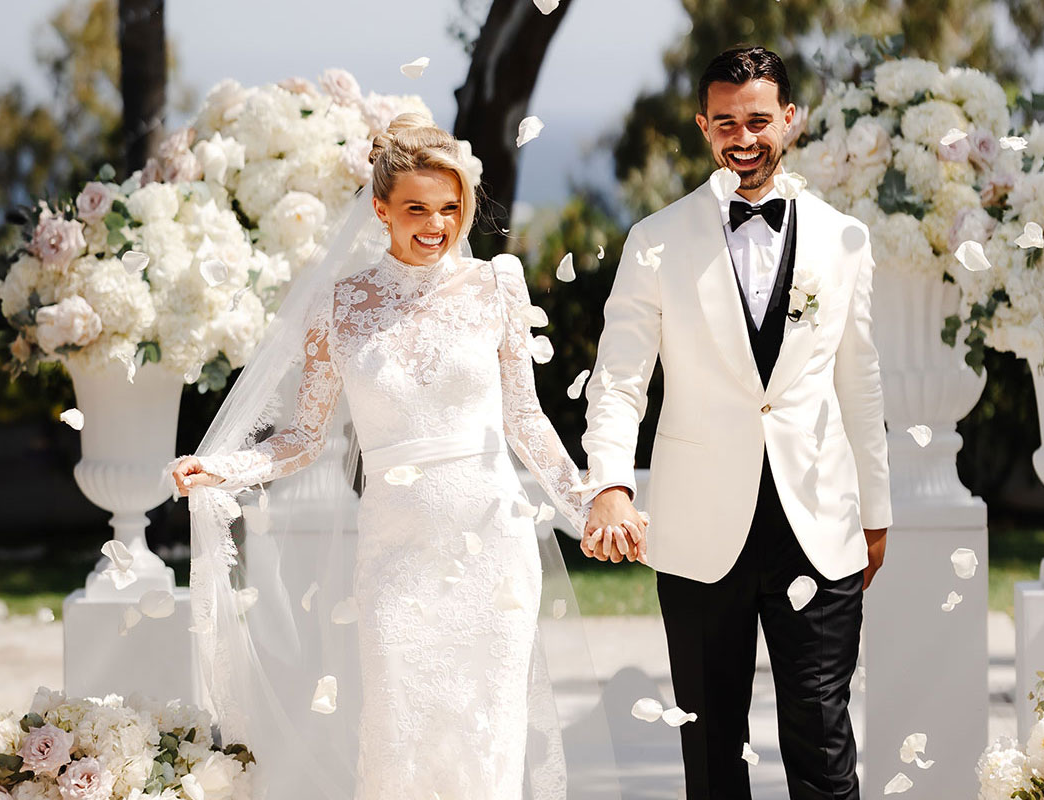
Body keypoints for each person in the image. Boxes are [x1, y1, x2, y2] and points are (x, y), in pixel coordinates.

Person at [169, 113, 619, 799]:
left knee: (486, 730)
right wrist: (225, 468)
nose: (436, 225)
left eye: (450, 208)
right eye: (416, 209)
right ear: (380, 209)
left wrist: (587, 500)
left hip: (492, 545)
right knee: (400, 730)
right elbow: (303, 437)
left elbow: (525, 419)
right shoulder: (339, 304)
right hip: (395, 551)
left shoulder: (495, 286)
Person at [578, 47, 892, 799]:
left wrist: (875, 513)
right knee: (712, 749)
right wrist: (612, 485)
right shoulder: (655, 239)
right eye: (726, 122)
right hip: (698, 529)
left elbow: (862, 382)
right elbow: (621, 377)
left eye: (758, 119)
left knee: (823, 737)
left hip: (819, 521)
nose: (742, 137)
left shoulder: (843, 238)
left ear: (789, 120)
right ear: (702, 126)